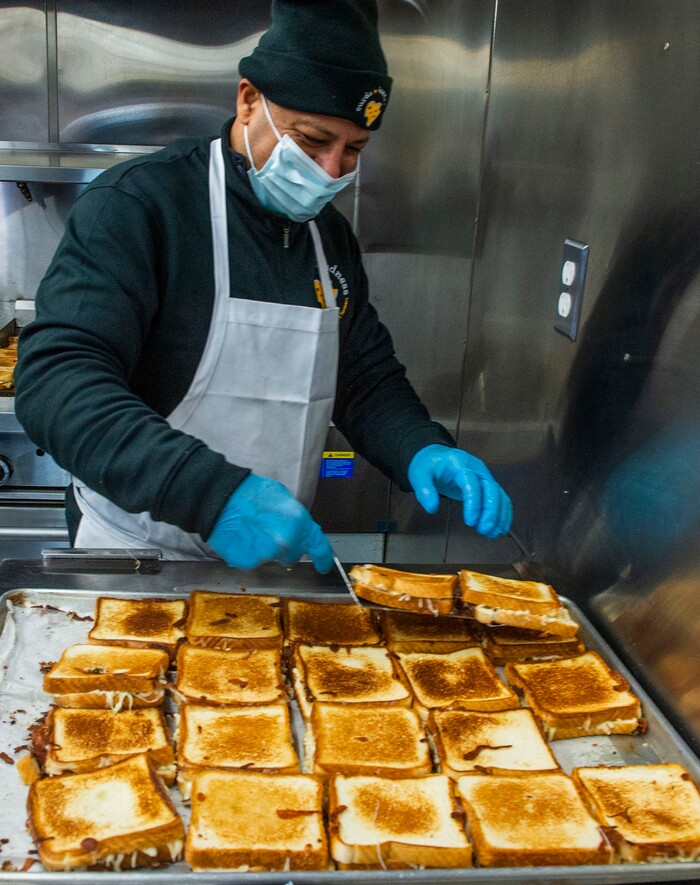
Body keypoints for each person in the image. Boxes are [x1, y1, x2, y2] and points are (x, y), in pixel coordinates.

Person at [14, 0, 512, 572]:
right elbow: (55, 381)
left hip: (269, 557)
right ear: (249, 100)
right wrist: (213, 495)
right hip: (137, 557)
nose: (330, 172)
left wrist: (420, 446)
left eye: (353, 150)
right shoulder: (140, 207)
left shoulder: (329, 239)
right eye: (311, 140)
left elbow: (363, 379)